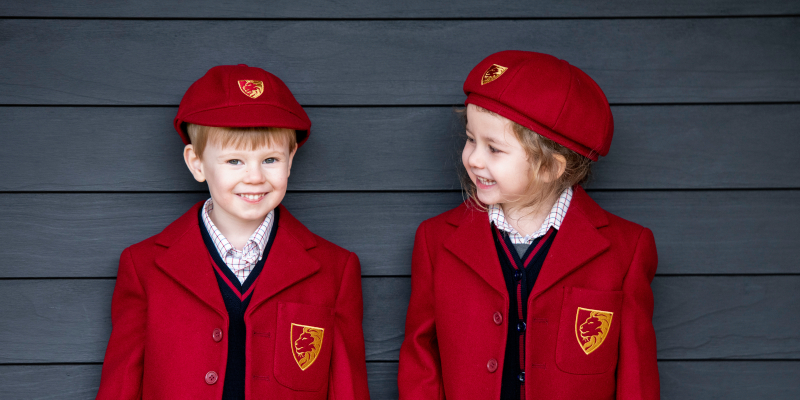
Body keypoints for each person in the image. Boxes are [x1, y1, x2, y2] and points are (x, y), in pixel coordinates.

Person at [96, 64, 370, 399]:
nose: (254, 177)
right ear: (197, 163)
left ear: (291, 158)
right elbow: (120, 387)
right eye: (234, 162)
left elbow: (347, 388)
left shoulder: (335, 270)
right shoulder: (143, 267)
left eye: (270, 159)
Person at [398, 51, 659, 399]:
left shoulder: (626, 250)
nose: (473, 158)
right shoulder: (435, 241)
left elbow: (636, 379)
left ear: (550, 167)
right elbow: (421, 361)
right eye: (471, 139)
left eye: (494, 148)